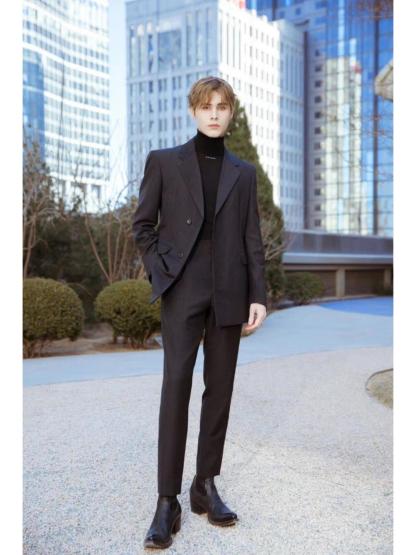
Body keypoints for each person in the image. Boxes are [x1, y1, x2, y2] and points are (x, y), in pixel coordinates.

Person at [132, 76, 267, 549]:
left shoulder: (244, 174)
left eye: (222, 106)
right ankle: (166, 500)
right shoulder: (164, 162)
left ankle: (205, 485)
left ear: (231, 113)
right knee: (176, 386)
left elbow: (252, 237)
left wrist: (258, 294)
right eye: (206, 106)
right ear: (193, 111)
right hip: (182, 288)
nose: (213, 113)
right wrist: (163, 270)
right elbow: (142, 225)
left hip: (230, 291)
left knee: (220, 390)